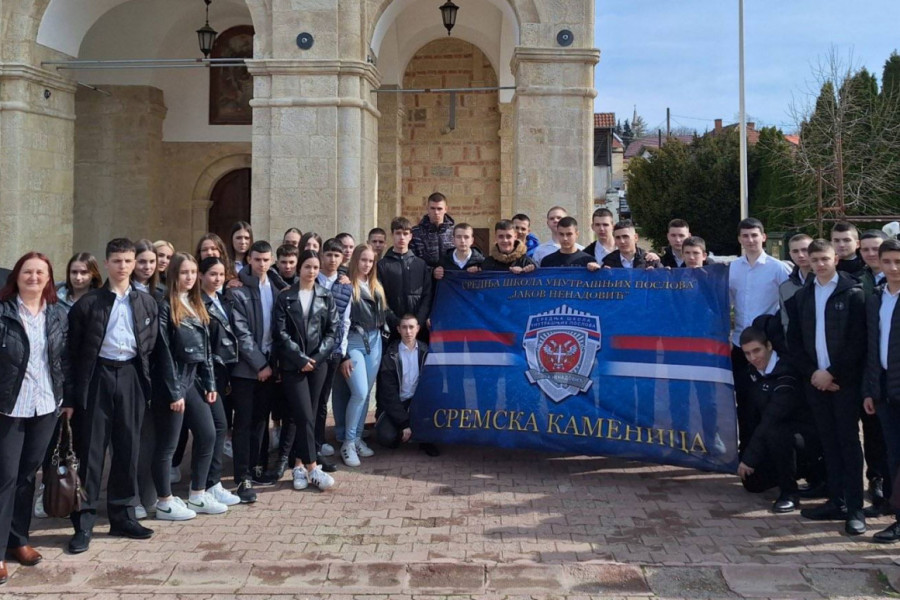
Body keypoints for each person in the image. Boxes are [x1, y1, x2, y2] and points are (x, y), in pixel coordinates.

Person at [65, 238, 160, 553]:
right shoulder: (88, 304)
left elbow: (154, 349)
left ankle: (122, 517)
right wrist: (70, 396)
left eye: (128, 261)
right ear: (106, 264)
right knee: (91, 453)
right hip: (97, 378)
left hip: (131, 376)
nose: (123, 267)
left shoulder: (146, 303)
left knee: (128, 449)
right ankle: (84, 523)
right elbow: (71, 354)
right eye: (117, 261)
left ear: (135, 264)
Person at [787, 239, 868, 535]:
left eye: (825, 258)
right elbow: (794, 342)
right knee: (828, 443)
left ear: (835, 258)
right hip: (816, 383)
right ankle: (837, 502)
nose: (820, 264)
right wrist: (814, 374)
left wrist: (833, 374)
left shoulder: (853, 292)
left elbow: (858, 342)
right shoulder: (803, 295)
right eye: (815, 259)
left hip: (843, 384)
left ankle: (855, 508)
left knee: (848, 443)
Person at [0, 253, 71, 582]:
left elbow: (64, 359)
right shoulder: (3, 312)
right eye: (27, 272)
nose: (33, 277)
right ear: (16, 277)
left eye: (40, 272)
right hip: (8, 406)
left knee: (28, 475)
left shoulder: (57, 314)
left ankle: (19, 541)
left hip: (44, 405)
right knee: (5, 478)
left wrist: (64, 397)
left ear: (48, 278)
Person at [151, 253, 224, 521]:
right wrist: (174, 392)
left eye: (193, 272)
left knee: (208, 434)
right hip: (174, 381)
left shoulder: (196, 303)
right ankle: (164, 501)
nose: (190, 277)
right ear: (173, 275)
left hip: (194, 379)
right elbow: (164, 352)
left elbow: (204, 350)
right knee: (168, 445)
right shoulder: (164, 305)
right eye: (184, 272)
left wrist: (210, 383)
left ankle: (197, 494)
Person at [273, 250, 338, 491]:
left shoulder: (326, 296)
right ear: (299, 269)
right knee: (303, 415)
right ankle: (313, 468)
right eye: (307, 267)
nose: (311, 271)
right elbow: (280, 333)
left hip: (318, 364)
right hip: (293, 366)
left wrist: (317, 357)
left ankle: (298, 466)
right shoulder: (285, 297)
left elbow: (333, 330)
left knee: (308, 414)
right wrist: (300, 358)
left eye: (315, 267)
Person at [737, 324, 818, 514]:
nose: (753, 358)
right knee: (752, 483)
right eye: (747, 353)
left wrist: (749, 458)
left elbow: (772, 418)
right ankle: (793, 470)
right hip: (773, 436)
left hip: (806, 436)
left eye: (757, 350)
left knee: (776, 432)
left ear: (769, 346)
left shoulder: (787, 373)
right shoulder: (751, 373)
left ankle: (790, 493)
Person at [728, 218, 791, 452]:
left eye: (754, 235)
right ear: (739, 239)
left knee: (768, 405)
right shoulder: (733, 268)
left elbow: (789, 306)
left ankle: (769, 456)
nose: (750, 240)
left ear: (763, 237)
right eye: (745, 236)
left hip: (768, 347)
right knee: (744, 403)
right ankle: (746, 453)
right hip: (739, 345)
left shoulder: (778, 268)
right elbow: (727, 302)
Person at [226, 240, 280, 502]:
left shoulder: (276, 286)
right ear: (249, 259)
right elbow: (241, 333)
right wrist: (260, 364)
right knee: (244, 423)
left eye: (266, 259)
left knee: (261, 421)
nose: (261, 264)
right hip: (246, 370)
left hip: (270, 367)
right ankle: (242, 476)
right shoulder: (237, 292)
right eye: (257, 259)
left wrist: (271, 365)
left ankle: (257, 468)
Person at [335, 244, 389, 467]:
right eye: (363, 260)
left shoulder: (375, 285)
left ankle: (356, 438)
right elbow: (339, 322)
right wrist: (343, 354)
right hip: (354, 340)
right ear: (355, 259)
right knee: (359, 391)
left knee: (366, 394)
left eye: (370, 261)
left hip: (375, 340)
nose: (367, 264)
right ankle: (347, 442)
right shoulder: (346, 284)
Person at [863, 239, 900, 542]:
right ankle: (895, 512)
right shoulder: (876, 297)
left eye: (899, 262)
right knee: (893, 456)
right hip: (885, 390)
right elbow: (872, 349)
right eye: (888, 262)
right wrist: (870, 390)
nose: (893, 268)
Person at [197, 257, 241, 506]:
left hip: (224, 370)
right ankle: (205, 485)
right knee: (213, 428)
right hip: (207, 372)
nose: (217, 279)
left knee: (218, 427)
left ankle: (211, 483)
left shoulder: (223, 299)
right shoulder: (199, 303)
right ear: (201, 276)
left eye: (221, 274)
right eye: (212, 274)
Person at [312, 239, 352, 469]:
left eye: (337, 256)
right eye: (328, 255)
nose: (332, 259)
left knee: (322, 399)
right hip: (312, 352)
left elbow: (345, 320)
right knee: (312, 400)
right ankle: (308, 446)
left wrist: (342, 349)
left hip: (334, 351)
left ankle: (318, 442)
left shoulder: (345, 285)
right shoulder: (312, 280)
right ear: (321, 256)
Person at [374, 314, 438, 456]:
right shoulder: (390, 355)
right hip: (398, 403)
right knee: (387, 438)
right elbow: (389, 394)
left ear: (418, 329)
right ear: (398, 329)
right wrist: (404, 423)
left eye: (411, 327)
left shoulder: (426, 352)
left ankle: (423, 438)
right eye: (404, 327)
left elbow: (431, 386)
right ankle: (404, 429)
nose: (408, 331)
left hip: (418, 403)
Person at [378, 217, 432, 337]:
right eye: (398, 233)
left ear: (411, 236)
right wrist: (396, 323)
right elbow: (380, 298)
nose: (401, 237)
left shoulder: (420, 264)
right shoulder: (382, 265)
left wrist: (418, 322)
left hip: (418, 329)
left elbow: (427, 295)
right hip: (392, 328)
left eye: (405, 234)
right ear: (392, 235)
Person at [410, 192, 455, 268]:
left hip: (450, 276)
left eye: (439, 209)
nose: (436, 212)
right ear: (427, 208)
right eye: (432, 208)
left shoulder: (455, 232)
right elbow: (412, 259)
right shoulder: (416, 232)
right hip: (424, 277)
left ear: (446, 209)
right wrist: (432, 271)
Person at [778, 234, 813, 333]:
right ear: (790, 254)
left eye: (805, 250)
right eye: (795, 251)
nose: (800, 255)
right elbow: (786, 322)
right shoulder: (785, 288)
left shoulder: (825, 281)